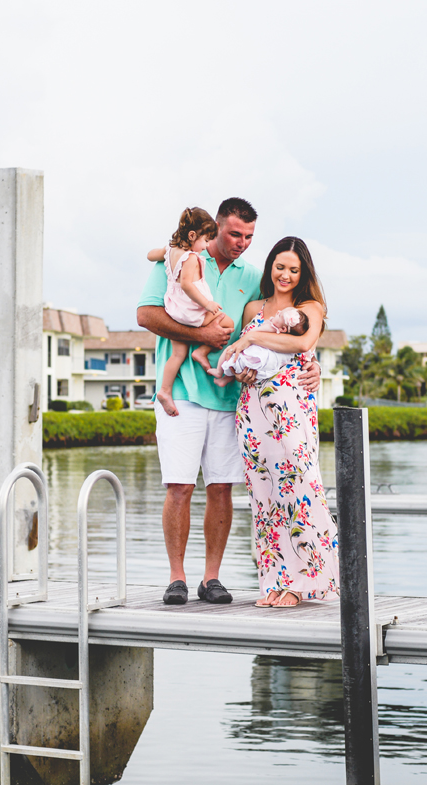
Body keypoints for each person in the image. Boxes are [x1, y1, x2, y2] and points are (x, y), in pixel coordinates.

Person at [137, 199, 322, 605]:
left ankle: (211, 578)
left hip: (231, 398)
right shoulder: (182, 259)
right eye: (234, 234)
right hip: (181, 395)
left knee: (221, 488)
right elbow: (146, 315)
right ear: (216, 228)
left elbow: (282, 319)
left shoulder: (254, 277)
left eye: (249, 238)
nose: (241, 243)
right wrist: (203, 338)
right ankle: (176, 578)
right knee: (180, 487)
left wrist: (314, 363)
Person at [219, 236, 339, 608]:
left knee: (299, 490)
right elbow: (245, 356)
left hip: (291, 409)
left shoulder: (311, 306)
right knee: (264, 496)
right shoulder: (253, 306)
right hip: (252, 412)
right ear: (270, 266)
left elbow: (303, 345)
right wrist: (241, 367)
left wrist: (253, 336)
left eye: (293, 269)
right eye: (279, 267)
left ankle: (302, 584)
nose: (285, 275)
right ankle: (273, 581)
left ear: (303, 273)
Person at [145, 207, 235, 416]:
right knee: (228, 322)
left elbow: (150, 255)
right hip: (191, 311)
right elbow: (187, 285)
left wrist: (162, 252)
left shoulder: (169, 252)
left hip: (174, 311)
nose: (206, 246)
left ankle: (165, 390)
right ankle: (201, 352)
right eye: (205, 241)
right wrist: (207, 304)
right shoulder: (191, 257)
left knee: (177, 353)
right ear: (193, 236)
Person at [218, 306, 309, 383]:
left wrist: (316, 364)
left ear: (283, 329)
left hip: (283, 384)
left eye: (279, 315)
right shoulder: (253, 306)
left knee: (231, 354)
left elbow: (306, 348)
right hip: (252, 387)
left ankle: (221, 372)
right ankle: (225, 376)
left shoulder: (308, 308)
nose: (278, 312)